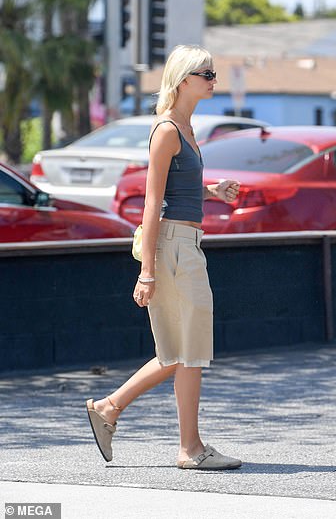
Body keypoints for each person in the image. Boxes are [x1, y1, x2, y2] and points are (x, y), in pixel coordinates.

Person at [86, 45, 242, 471]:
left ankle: (109, 408)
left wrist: (212, 191)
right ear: (183, 79)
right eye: (206, 73)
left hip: (186, 244)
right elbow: (152, 204)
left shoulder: (187, 129)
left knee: (178, 352)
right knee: (189, 352)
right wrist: (147, 272)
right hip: (173, 248)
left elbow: (177, 190)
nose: (213, 80)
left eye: (213, 72)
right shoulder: (168, 130)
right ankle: (190, 449)